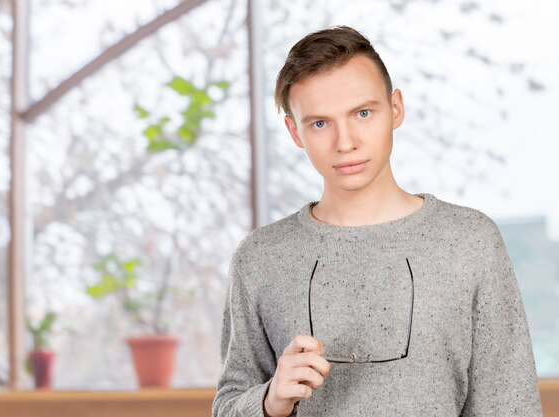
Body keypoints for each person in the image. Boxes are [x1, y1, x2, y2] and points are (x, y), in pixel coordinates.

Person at [211, 26, 542, 416]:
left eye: (363, 113)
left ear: (396, 108)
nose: (345, 141)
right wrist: (270, 401)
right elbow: (229, 404)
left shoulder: (470, 240)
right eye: (320, 123)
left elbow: (510, 405)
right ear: (294, 132)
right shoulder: (260, 257)